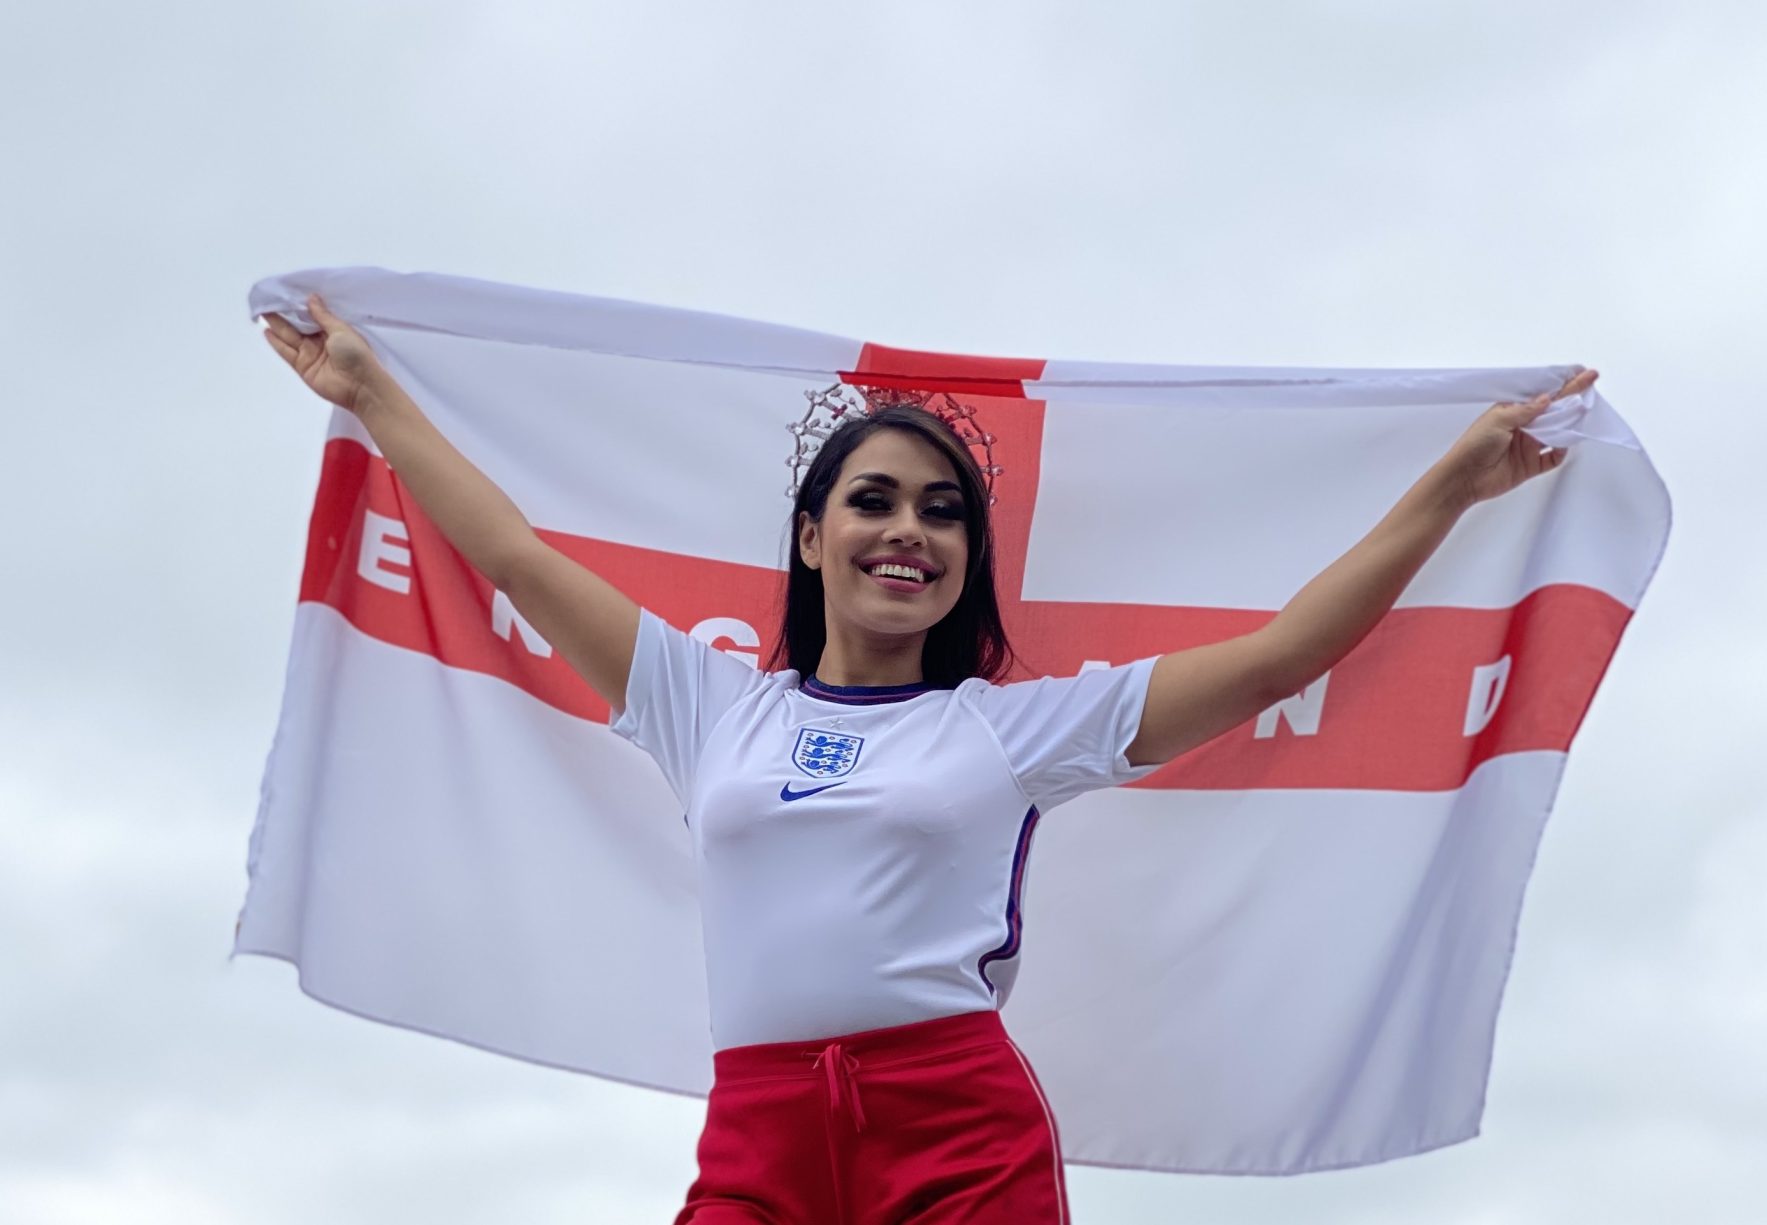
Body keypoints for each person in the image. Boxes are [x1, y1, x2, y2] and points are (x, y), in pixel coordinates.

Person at [260, 293, 1596, 1224]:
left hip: (956, 1139)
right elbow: (513, 554)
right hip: (758, 1142)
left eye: (944, 511)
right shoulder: (711, 702)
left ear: (964, 559)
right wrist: (370, 391)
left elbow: (1277, 656)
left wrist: (1453, 482)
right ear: (811, 537)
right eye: (875, 500)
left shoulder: (1012, 727)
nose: (911, 530)